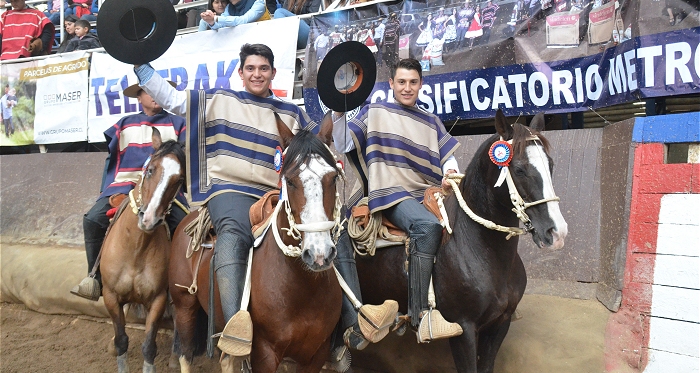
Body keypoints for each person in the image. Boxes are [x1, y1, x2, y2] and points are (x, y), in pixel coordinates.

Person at [131, 43, 398, 357]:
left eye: (263, 69)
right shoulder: (218, 99)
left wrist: (340, 108)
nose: (257, 74)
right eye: (251, 69)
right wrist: (141, 65)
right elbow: (173, 100)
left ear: (273, 73)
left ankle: (353, 323)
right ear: (241, 73)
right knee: (233, 233)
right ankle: (236, 327)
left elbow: (322, 144)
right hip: (230, 190)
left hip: (275, 192)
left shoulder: (291, 112)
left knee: (331, 231)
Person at [332, 58, 463, 343]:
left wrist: (450, 172)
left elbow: (447, 156)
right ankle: (421, 316)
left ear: (421, 84)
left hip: (427, 192)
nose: (407, 88)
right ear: (390, 84)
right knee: (428, 227)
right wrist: (337, 111)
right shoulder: (374, 111)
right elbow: (342, 144)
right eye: (401, 82)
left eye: (413, 82)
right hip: (390, 191)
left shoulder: (431, 120)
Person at [71, 82, 188, 301]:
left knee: (185, 228)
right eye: (148, 92)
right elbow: (112, 160)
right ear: (139, 97)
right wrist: (106, 190)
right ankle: (95, 277)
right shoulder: (124, 124)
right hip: (124, 186)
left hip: (164, 191)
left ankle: (178, 286)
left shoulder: (179, 124)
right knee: (93, 220)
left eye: (158, 91)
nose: (154, 95)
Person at [199, 0, 271, 31]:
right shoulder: (229, 7)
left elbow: (243, 21)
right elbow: (221, 26)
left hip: (263, 39)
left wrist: (215, 18)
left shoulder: (258, 3)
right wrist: (211, 21)